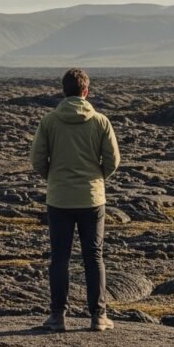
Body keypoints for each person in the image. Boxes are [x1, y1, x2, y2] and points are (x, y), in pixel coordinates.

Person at [30, 68, 120, 332]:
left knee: (60, 257)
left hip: (59, 199)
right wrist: (96, 179)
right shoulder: (101, 121)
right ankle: (98, 317)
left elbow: (37, 159)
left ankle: (57, 317)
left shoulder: (49, 121)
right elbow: (113, 160)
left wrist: (54, 179)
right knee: (94, 256)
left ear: (64, 91)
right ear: (85, 92)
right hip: (92, 199)